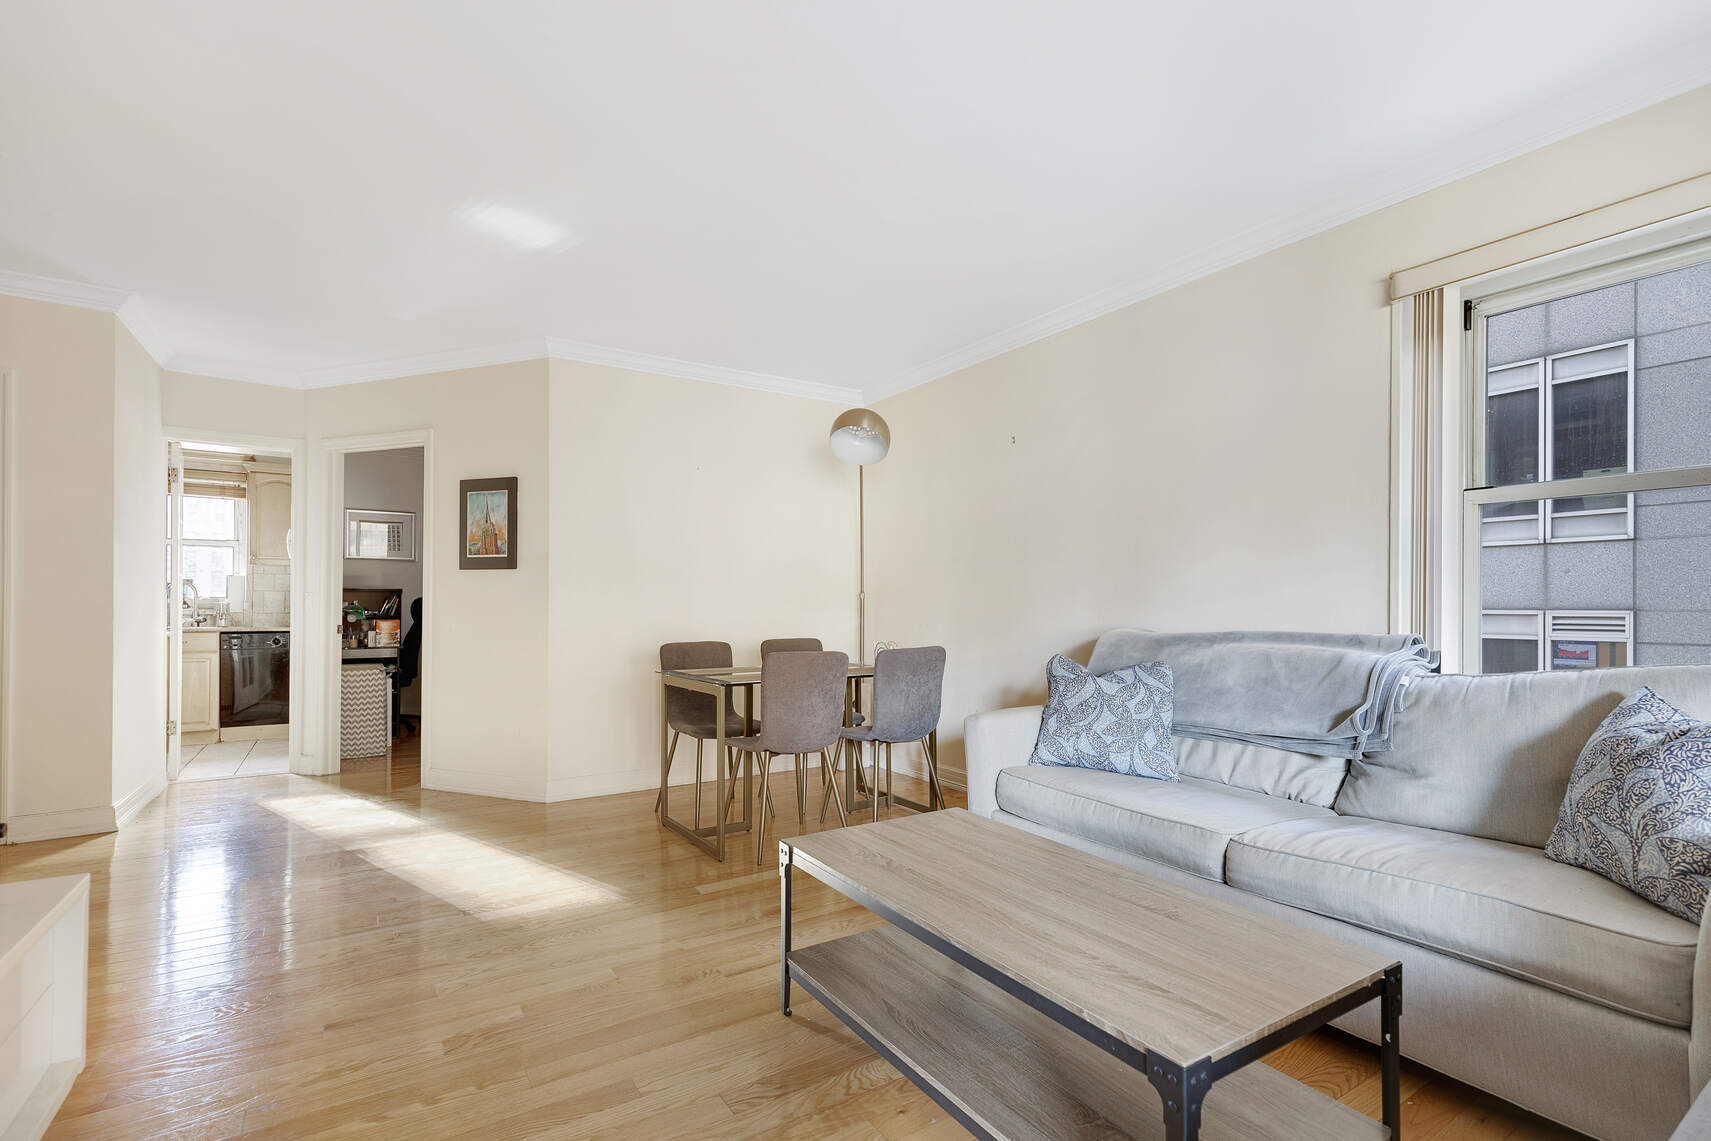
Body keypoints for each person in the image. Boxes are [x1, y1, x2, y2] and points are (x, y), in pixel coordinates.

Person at [397, 597, 422, 736]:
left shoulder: (417, 628)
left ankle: (390, 719)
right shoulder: (417, 627)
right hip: (406, 669)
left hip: (405, 671)